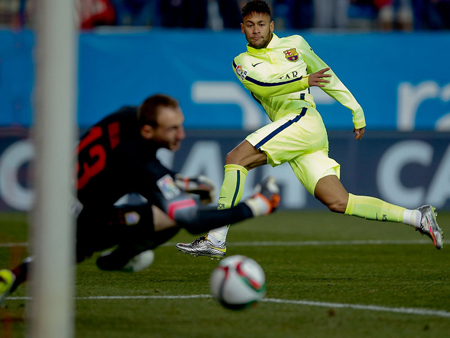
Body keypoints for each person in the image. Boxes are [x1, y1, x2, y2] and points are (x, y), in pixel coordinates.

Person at [176, 0, 444, 258]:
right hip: (294, 128)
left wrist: (355, 108)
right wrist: (303, 79)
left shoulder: (295, 44)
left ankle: (216, 239)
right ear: (242, 27)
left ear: (271, 26)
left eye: (261, 23)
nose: (256, 29)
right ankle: (417, 217)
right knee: (339, 201)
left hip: (303, 119)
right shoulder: (242, 61)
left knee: (236, 159)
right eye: (249, 24)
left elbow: (325, 74)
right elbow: (264, 85)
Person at [0, 93, 281, 304]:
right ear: (148, 130)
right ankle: (119, 259)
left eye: (180, 126)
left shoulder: (126, 116)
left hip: (55, 196)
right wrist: (256, 205)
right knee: (169, 219)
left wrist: (185, 182)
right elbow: (192, 220)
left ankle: (10, 277)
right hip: (82, 218)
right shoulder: (140, 163)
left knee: (74, 244)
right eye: (172, 130)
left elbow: (132, 169)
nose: (181, 135)